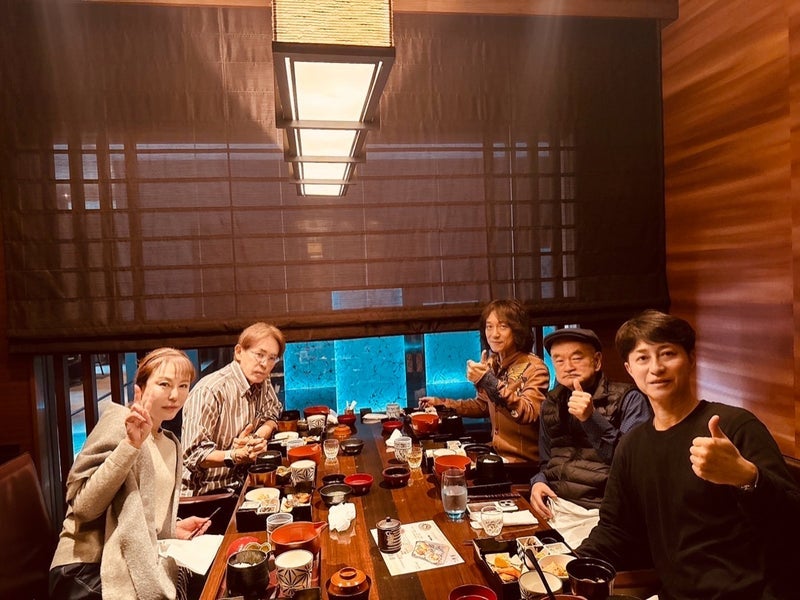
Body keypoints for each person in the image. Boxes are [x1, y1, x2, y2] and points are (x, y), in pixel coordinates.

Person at [577, 310, 800, 599]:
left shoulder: (735, 426)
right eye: (643, 358)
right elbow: (614, 529)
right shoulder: (632, 446)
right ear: (630, 369)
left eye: (668, 354)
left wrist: (747, 478)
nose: (656, 368)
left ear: (691, 359)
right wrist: (565, 565)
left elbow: (792, 523)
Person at [49, 348, 211, 600]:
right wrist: (130, 445)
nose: (174, 395)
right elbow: (83, 508)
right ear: (140, 389)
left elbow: (140, 518)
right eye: (164, 384)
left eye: (183, 386)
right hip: (86, 567)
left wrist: (173, 529)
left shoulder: (171, 444)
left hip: (133, 561)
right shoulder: (120, 424)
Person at [529, 328, 651, 522]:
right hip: (555, 506)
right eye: (559, 360)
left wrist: (590, 418)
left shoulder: (630, 399)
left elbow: (631, 465)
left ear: (597, 361)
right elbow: (546, 461)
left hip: (602, 512)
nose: (568, 367)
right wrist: (538, 482)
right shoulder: (550, 403)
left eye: (576, 358)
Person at [420, 299, 550, 463]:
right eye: (489, 326)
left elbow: (528, 413)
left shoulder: (536, 368)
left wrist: (487, 380)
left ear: (518, 330)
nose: (494, 334)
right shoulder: (493, 362)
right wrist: (441, 403)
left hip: (523, 463)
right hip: (496, 455)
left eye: (503, 326)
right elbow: (482, 405)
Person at [182, 322, 285, 496]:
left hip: (242, 484)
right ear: (238, 352)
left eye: (271, 358)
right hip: (207, 494)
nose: (264, 364)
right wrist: (235, 455)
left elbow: (273, 412)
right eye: (259, 355)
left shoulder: (261, 381)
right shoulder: (211, 390)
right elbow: (194, 454)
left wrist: (256, 438)